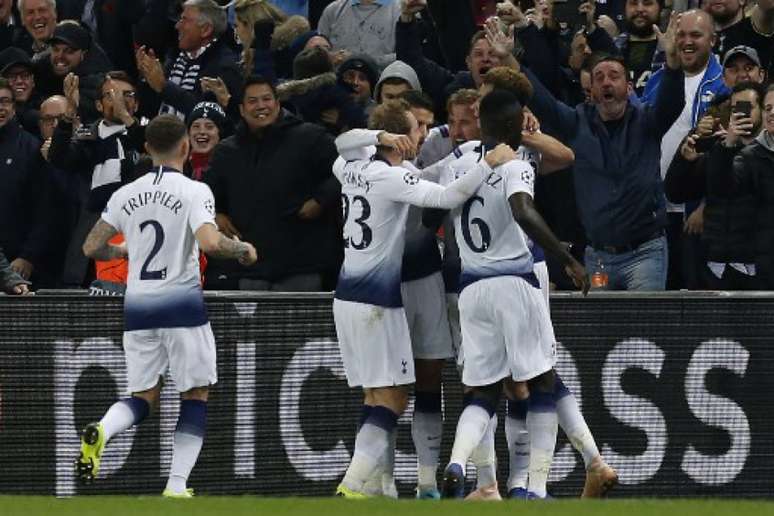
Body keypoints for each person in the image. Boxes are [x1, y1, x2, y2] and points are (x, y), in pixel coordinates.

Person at [332, 99, 517, 499]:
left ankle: (377, 489)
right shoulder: (391, 179)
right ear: (400, 138)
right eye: (418, 129)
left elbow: (343, 142)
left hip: (346, 296)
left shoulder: (348, 167)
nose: (425, 135)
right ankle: (351, 486)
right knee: (395, 396)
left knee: (379, 393)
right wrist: (488, 164)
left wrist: (378, 136)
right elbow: (447, 197)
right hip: (378, 302)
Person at [75, 114, 257, 497]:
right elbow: (210, 243)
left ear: (146, 149)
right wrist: (241, 249)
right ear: (186, 147)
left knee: (143, 396)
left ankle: (103, 430)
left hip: (138, 309)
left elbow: (90, 247)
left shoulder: (125, 194)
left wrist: (125, 250)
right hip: (182, 309)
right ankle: (176, 485)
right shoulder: (195, 191)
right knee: (195, 393)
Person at [435, 89, 588, 500]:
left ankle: (456, 461)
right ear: (516, 126)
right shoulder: (515, 164)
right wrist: (565, 258)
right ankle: (534, 486)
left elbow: (433, 209)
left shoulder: (462, 164)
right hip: (513, 282)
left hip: (470, 290)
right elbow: (523, 210)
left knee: (482, 391)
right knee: (540, 382)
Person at [523, 13, 683, 291]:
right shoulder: (576, 121)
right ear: (591, 91)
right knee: (601, 333)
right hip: (597, 256)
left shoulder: (647, 120)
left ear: (628, 87)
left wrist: (672, 63)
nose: (607, 82)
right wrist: (508, 59)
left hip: (645, 253)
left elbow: (672, 102)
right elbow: (541, 99)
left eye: (614, 76)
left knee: (642, 333)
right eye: (599, 78)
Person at [204, 76, 342, 291]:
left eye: (266, 99)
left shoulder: (310, 137)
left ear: (277, 104)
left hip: (302, 265)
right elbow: (209, 192)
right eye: (252, 101)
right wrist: (218, 214)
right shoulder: (226, 151)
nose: (261, 106)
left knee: (301, 326)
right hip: (250, 266)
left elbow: (345, 169)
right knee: (254, 327)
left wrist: (320, 200)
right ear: (241, 109)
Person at [665, 81, 765, 290]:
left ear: (764, 110)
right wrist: (685, 160)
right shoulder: (716, 150)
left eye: (748, 107)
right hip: (714, 268)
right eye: (736, 108)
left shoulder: (767, 154)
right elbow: (675, 192)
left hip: (759, 267)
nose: (741, 114)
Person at [706, 83, 774, 288]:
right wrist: (728, 144)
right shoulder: (750, 155)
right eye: (768, 108)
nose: (772, 113)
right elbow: (722, 188)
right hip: (764, 266)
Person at [136, 0, 242, 120]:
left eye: (184, 20)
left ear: (205, 29)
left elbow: (208, 115)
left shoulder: (224, 66)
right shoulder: (175, 57)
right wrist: (147, 77)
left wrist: (164, 86)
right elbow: (149, 109)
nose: (177, 26)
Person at [0, 76, 53, 288]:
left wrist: (28, 255)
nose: (0, 107)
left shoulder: (31, 149)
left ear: (14, 106)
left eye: (4, 101)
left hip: (20, 261)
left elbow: (46, 209)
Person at [317, 0, 402, 69]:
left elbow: (405, 56)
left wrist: (358, 60)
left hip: (380, 84)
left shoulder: (401, 11)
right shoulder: (333, 10)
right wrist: (330, 58)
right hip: (335, 84)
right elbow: (315, 52)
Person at [186, 100, 226, 181]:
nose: (202, 132)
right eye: (196, 126)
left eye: (209, 127)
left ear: (220, 133)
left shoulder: (231, 168)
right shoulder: (178, 165)